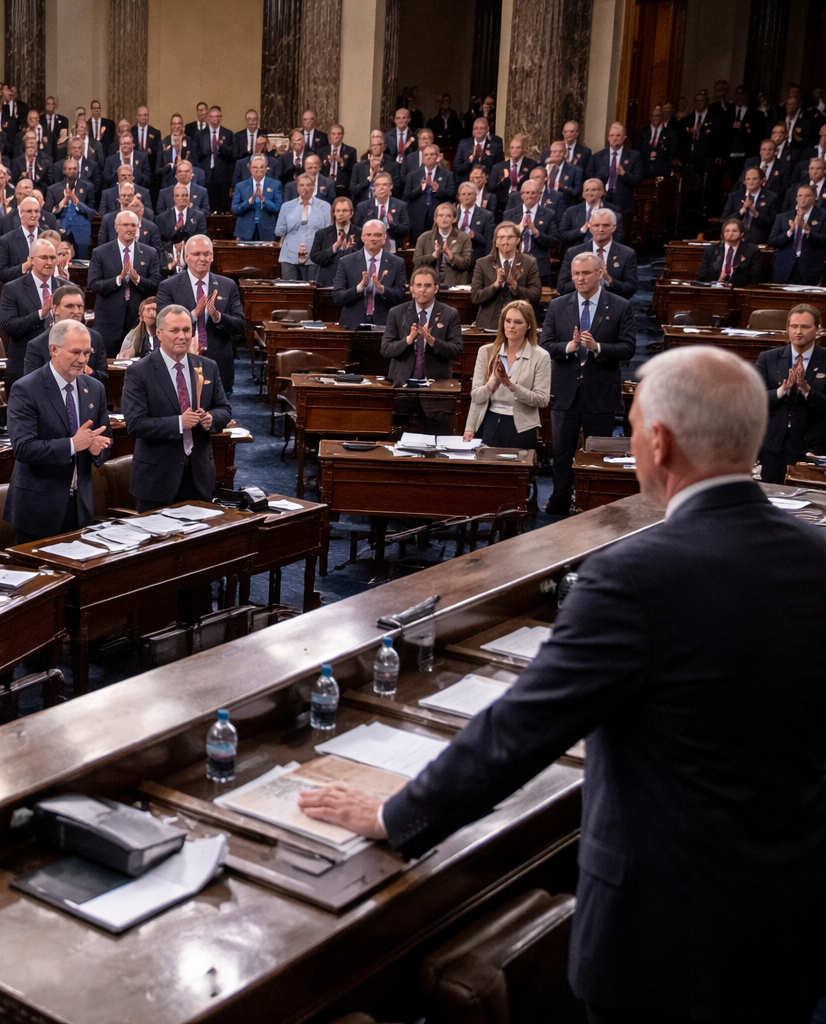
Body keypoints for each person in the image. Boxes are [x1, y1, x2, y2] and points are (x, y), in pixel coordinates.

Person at [298, 345, 826, 1024]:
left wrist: (395, 817)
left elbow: (519, 728)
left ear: (660, 443)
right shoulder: (815, 555)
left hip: (665, 942)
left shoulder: (635, 574)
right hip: (788, 918)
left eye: (633, 428)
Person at [541, 252, 637, 514]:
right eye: (576, 274)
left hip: (600, 392)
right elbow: (545, 344)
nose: (580, 278)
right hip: (565, 392)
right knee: (562, 451)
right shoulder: (558, 305)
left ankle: (593, 503)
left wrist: (598, 347)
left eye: (585, 273)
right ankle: (559, 500)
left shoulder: (620, 306)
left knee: (598, 452)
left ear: (599, 273)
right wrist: (570, 347)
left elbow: (628, 348)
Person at [4, 319, 113, 543]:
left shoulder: (95, 388)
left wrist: (96, 450)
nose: (82, 360)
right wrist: (73, 444)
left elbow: (105, 439)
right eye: (75, 352)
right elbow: (23, 449)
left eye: (87, 353)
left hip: (80, 506)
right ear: (54, 349)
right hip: (39, 508)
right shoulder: (26, 389)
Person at [120, 303, 232, 511]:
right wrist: (180, 423)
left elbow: (224, 409)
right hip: (157, 479)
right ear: (160, 333)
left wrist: (210, 418)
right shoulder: (139, 372)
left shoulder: (207, 366)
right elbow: (135, 424)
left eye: (187, 330)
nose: (182, 336)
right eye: (175, 330)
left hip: (199, 475)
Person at [154, 234, 245, 395]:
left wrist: (218, 317)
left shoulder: (227, 285)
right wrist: (192, 315)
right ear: (186, 257)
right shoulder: (168, 286)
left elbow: (240, 325)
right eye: (196, 254)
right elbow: (162, 323)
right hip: (180, 360)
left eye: (206, 254)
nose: (202, 259)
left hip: (218, 363)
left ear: (212, 257)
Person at [379, 266, 462, 434]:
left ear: (436, 288)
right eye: (418, 285)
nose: (422, 290)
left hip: (436, 388)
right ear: (411, 288)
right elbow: (386, 349)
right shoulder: (397, 313)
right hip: (404, 387)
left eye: (427, 285)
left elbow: (456, 350)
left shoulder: (450, 314)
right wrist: (408, 340)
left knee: (436, 438)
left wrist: (432, 341)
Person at [462, 299, 551, 448]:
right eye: (508, 321)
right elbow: (476, 396)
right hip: (490, 421)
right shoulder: (486, 352)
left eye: (518, 322)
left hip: (522, 427)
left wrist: (512, 386)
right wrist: (491, 385)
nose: (511, 326)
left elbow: (542, 400)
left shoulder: (541, 356)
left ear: (529, 325)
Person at [756, 303, 826, 482]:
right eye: (794, 326)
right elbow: (755, 400)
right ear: (787, 328)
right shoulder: (768, 358)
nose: (798, 332)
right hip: (773, 446)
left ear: (818, 330)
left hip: (812, 447)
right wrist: (782, 390)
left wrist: (807, 390)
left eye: (805, 326)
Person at [88, 210, 160, 353]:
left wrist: (138, 279)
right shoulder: (100, 252)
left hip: (138, 322)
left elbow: (156, 284)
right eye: (126, 225)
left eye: (133, 225)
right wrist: (118, 279)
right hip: (108, 321)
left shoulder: (150, 253)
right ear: (116, 227)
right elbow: (93, 284)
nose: (130, 229)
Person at [0, 236, 61, 390]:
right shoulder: (12, 289)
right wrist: (40, 314)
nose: (49, 262)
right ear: (31, 260)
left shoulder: (65, 288)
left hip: (60, 366)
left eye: (53, 257)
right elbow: (8, 326)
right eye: (44, 257)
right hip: (24, 365)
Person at [332, 219, 407, 329]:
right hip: (353, 324)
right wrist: (359, 288)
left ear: (384, 237)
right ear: (362, 237)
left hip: (385, 323)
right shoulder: (346, 262)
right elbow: (338, 296)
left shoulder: (397, 262)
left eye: (377, 235)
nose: (373, 239)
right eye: (369, 235)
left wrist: (382, 290)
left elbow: (401, 295)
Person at [469, 222, 540, 331]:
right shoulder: (482, 263)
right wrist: (495, 285)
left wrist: (516, 287)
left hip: (519, 325)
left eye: (510, 237)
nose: (505, 242)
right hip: (489, 325)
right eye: (501, 237)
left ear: (518, 240)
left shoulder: (529, 262)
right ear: (496, 242)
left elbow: (535, 296)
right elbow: (475, 297)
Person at [556, 208, 637, 298]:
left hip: (613, 304)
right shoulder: (573, 252)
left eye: (605, 225)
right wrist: (587, 279)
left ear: (613, 227)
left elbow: (631, 288)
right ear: (590, 227)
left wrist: (609, 280)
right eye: (596, 225)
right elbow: (562, 288)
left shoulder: (627, 254)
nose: (601, 229)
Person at [275, 173, 332, 280]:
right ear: (297, 187)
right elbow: (278, 232)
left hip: (314, 255)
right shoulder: (287, 206)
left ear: (313, 187)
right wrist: (295, 221)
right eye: (301, 185)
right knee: (289, 288)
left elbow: (328, 233)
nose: (305, 188)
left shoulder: (325, 206)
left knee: (312, 288)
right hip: (289, 255)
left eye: (308, 185)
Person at [770, 183, 826, 285]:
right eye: (800, 195)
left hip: (810, 268)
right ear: (796, 198)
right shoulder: (782, 217)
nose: (802, 198)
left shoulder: (823, 215)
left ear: (814, 198)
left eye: (807, 196)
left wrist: (809, 230)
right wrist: (790, 231)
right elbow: (772, 241)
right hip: (784, 268)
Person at [412, 202, 472, 287]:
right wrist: (433, 256)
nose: (444, 219)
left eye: (448, 216)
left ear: (454, 219)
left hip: (455, 282)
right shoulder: (424, 237)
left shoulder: (464, 238)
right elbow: (416, 261)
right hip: (429, 282)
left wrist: (451, 256)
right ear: (435, 219)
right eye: (440, 215)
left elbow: (466, 264)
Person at [696, 217, 762, 286]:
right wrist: (717, 282)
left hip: (739, 288)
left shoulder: (752, 251)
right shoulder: (711, 250)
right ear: (722, 234)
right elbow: (702, 275)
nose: (730, 233)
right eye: (727, 231)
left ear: (741, 234)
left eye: (734, 231)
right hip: (714, 288)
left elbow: (755, 277)